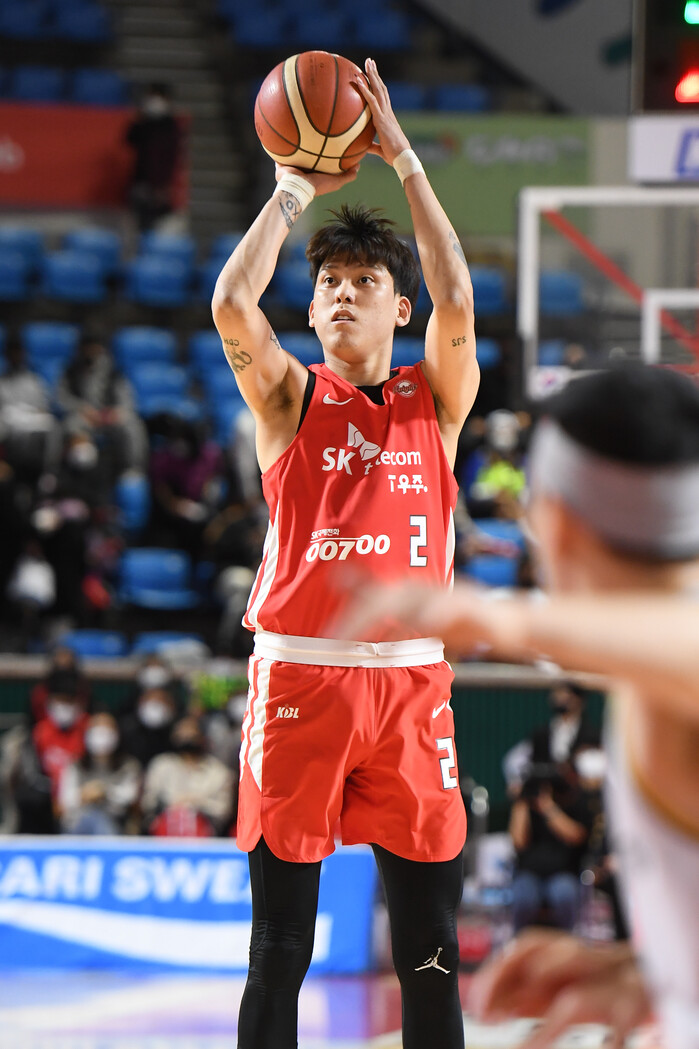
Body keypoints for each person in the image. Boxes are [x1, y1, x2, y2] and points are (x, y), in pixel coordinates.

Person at [211, 58, 479, 1049]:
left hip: (409, 686)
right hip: (301, 680)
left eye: (366, 282)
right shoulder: (288, 398)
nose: (342, 295)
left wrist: (402, 157)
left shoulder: (433, 399)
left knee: (431, 953)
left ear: (399, 309)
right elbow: (231, 304)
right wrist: (292, 188)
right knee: (279, 949)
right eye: (328, 282)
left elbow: (458, 293)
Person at [338, 365, 699, 1049]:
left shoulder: (669, 694)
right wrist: (651, 970)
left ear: (553, 524)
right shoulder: (652, 684)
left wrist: (508, 618)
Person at [141, 715, 233, 836]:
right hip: (164, 828)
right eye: (182, 731)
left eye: (191, 731)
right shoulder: (161, 765)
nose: (187, 736)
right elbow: (148, 802)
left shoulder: (218, 771)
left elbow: (223, 809)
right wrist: (173, 807)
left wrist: (194, 805)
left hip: (206, 832)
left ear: (202, 736)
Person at [57, 711, 142, 835]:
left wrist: (104, 792)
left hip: (115, 822)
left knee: (100, 819)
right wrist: (83, 795)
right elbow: (64, 802)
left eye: (106, 731)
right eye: (97, 730)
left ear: (117, 735)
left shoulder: (128, 766)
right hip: (77, 824)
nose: (101, 736)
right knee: (90, 817)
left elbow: (129, 797)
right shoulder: (75, 765)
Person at [125, 82, 182, 232]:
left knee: (158, 227)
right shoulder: (144, 123)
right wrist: (141, 118)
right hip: (141, 181)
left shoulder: (170, 125)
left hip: (160, 185)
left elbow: (171, 156)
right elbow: (129, 139)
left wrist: (162, 186)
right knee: (138, 224)